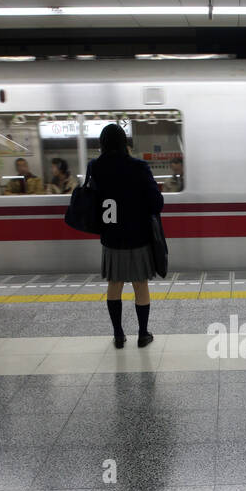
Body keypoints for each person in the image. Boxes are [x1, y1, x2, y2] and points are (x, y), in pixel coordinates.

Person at [87, 123, 163, 348]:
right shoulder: (139, 167)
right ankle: (142, 334)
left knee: (114, 284)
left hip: (111, 237)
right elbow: (156, 203)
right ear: (124, 143)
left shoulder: (95, 167)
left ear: (102, 144)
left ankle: (119, 334)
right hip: (138, 236)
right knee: (140, 284)